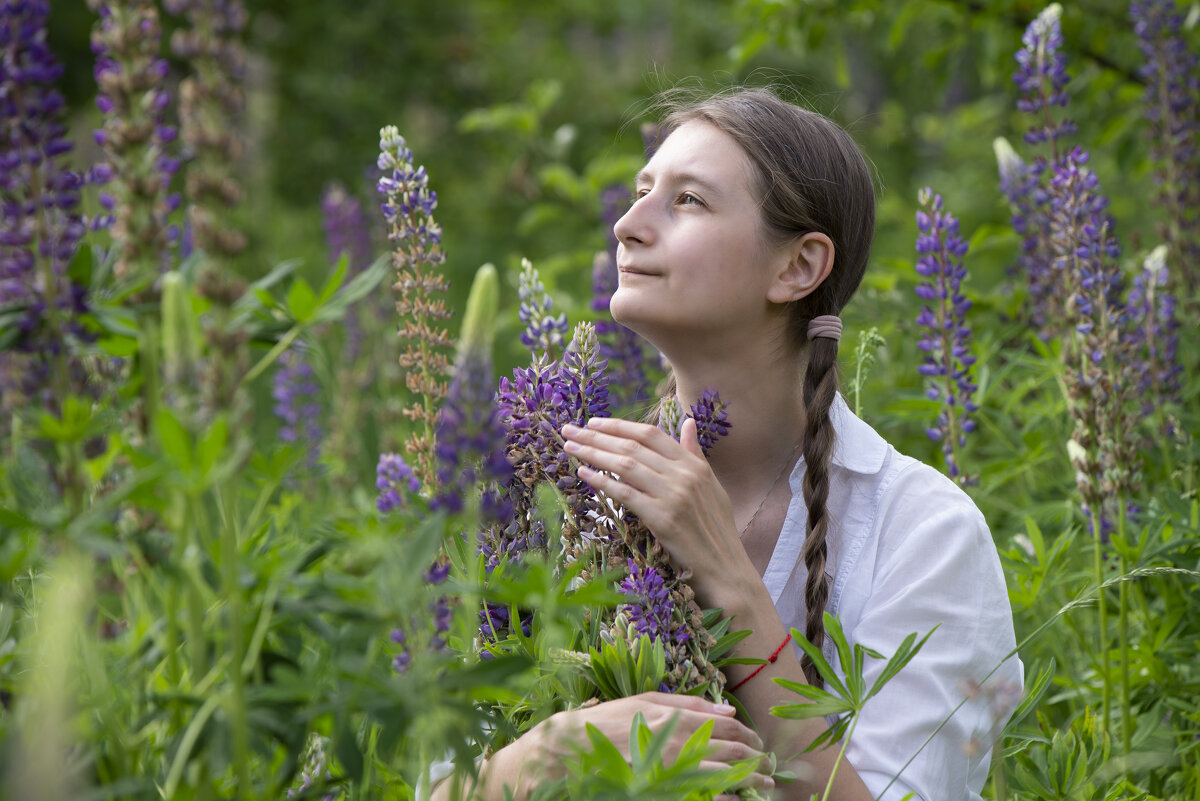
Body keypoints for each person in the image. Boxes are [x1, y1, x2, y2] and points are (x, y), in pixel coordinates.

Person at [433, 87, 1021, 801]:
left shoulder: (923, 532)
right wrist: (543, 757)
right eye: (641, 190)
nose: (625, 223)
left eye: (687, 201)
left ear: (798, 266)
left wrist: (735, 589)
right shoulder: (561, 508)